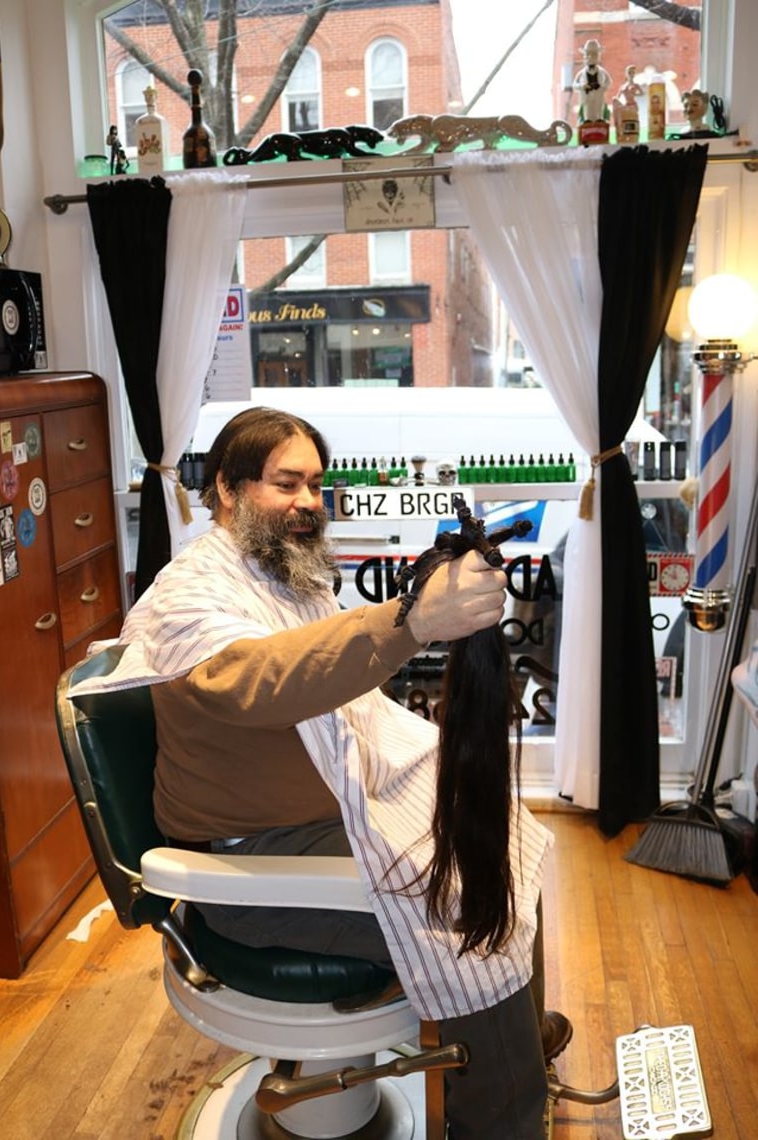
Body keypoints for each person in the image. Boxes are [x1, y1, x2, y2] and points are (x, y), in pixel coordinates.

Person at [80, 407, 572, 1139]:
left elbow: (322, 658)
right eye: (287, 483)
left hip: (321, 820)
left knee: (495, 839)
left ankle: (509, 1045)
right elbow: (262, 677)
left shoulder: (282, 576)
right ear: (226, 489)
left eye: (316, 483)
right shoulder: (190, 594)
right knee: (476, 916)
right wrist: (411, 620)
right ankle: (502, 1112)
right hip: (255, 869)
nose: (310, 501)